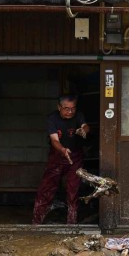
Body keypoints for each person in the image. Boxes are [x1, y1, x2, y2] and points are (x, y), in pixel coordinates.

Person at [32, 94, 90, 225]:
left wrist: (84, 130)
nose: (70, 112)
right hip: (57, 156)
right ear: (59, 107)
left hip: (75, 157)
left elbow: (85, 126)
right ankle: (36, 222)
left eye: (73, 108)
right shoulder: (52, 119)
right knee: (47, 188)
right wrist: (63, 150)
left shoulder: (78, 115)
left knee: (73, 190)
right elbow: (54, 140)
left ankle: (71, 223)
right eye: (66, 108)